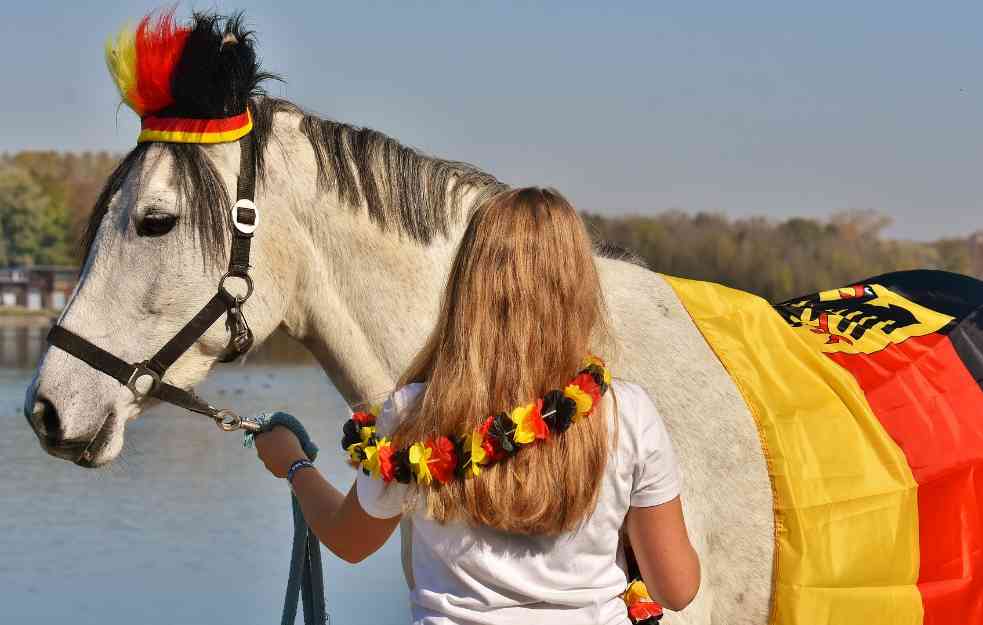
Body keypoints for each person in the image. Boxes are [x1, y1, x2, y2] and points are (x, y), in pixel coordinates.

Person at [255, 187, 700, 624]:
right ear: (579, 289)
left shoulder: (414, 414)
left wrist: (292, 463)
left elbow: (350, 540)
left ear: (468, 286)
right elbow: (676, 589)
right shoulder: (628, 414)